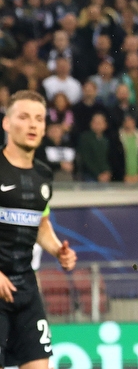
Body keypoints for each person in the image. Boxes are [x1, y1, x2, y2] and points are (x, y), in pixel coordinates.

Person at [0, 90, 77, 369]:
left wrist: (57, 249)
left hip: (26, 289)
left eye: (39, 119)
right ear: (6, 123)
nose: (33, 125)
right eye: (23, 117)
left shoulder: (44, 175)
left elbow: (40, 223)